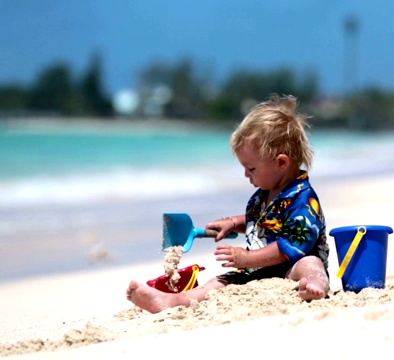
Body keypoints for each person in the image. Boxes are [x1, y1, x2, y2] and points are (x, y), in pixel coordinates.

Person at [126, 94, 330, 314]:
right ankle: (171, 301)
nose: (246, 175)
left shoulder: (303, 201)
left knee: (310, 264)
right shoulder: (263, 196)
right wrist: (234, 223)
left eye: (251, 169)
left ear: (280, 163)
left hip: (291, 268)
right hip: (259, 271)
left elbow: (287, 248)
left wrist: (247, 258)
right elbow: (262, 222)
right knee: (216, 283)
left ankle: (317, 284)